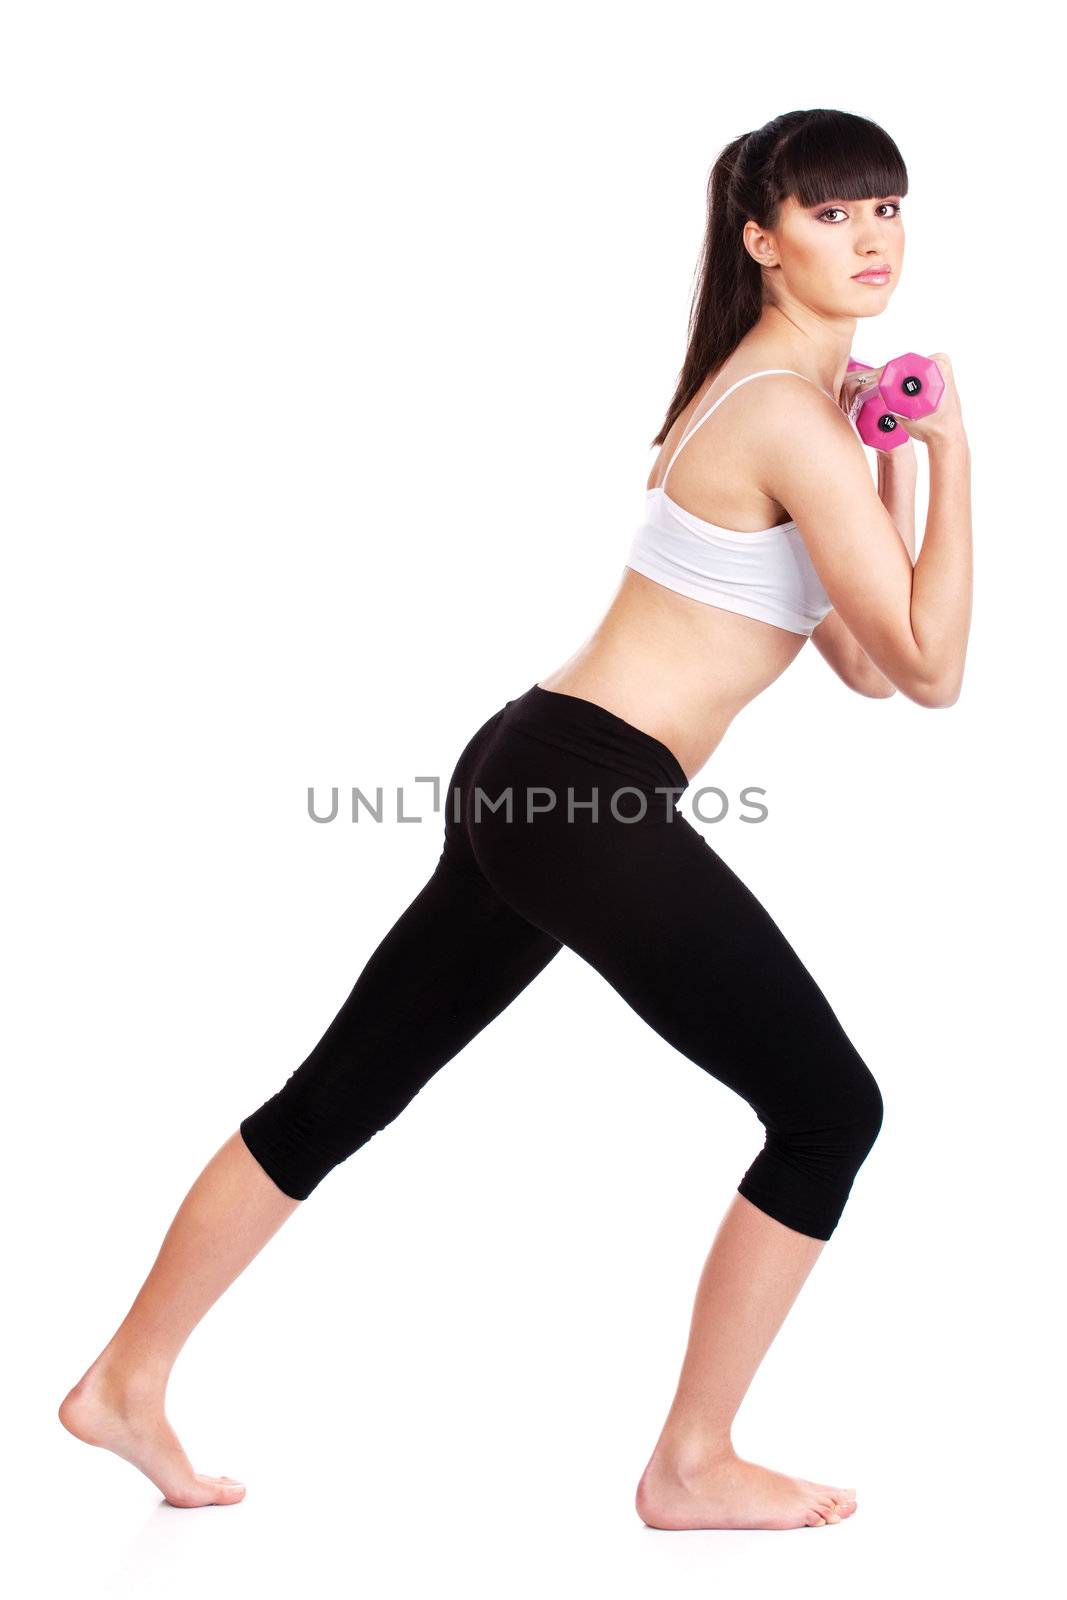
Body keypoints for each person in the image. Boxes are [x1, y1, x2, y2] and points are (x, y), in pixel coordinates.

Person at [59, 107, 972, 1530]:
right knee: (827, 1108)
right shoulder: (785, 412)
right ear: (761, 237)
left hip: (541, 773)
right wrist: (958, 448)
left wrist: (897, 451)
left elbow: (862, 662)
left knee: (347, 1089)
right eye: (834, 213)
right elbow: (932, 667)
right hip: (584, 790)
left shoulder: (792, 407)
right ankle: (690, 1464)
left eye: (889, 211)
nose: (871, 241)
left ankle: (124, 1379)